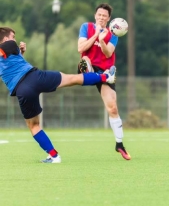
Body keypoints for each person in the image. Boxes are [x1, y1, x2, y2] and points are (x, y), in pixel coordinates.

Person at [0, 26, 116, 163]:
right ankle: (105, 76)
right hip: (36, 77)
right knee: (71, 79)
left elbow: (10, 62)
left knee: (34, 126)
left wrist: (20, 52)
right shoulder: (7, 45)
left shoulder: (9, 51)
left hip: (22, 90)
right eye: (13, 36)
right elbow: (8, 46)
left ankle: (54, 156)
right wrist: (16, 48)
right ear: (6, 38)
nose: (15, 39)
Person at [77, 3, 131, 160]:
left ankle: (119, 144)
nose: (101, 18)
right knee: (85, 60)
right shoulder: (86, 27)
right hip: (87, 66)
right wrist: (95, 35)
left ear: (108, 19)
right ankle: (101, 76)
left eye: (104, 16)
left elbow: (108, 54)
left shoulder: (114, 33)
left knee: (113, 108)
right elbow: (80, 48)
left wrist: (101, 40)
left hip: (105, 69)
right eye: (99, 15)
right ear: (95, 16)